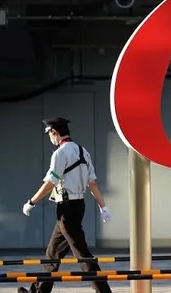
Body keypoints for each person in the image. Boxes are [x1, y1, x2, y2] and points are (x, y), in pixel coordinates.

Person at [19, 117, 113, 293]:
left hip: (67, 209)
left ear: (54, 133)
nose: (50, 139)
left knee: (83, 255)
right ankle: (38, 291)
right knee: (53, 253)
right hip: (78, 206)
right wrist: (103, 206)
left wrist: (31, 202)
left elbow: (51, 182)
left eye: (50, 135)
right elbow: (92, 183)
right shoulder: (83, 151)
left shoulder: (60, 153)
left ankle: (104, 292)